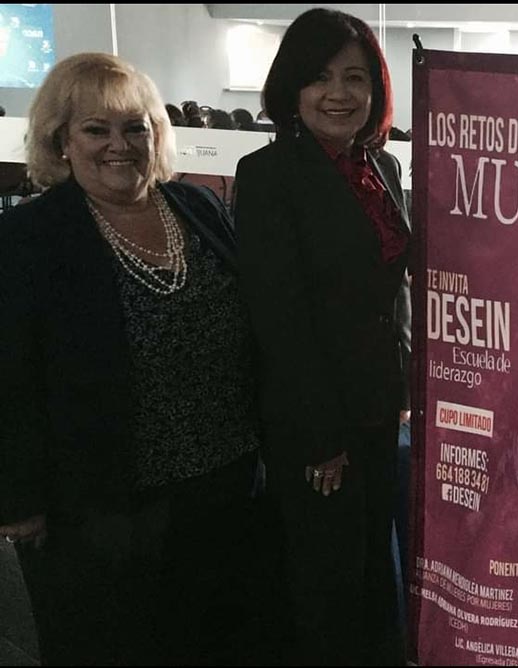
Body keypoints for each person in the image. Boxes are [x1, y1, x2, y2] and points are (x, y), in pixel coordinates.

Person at [0, 53, 267, 665]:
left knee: (219, 642)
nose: (119, 145)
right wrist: (17, 498)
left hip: (223, 485)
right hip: (101, 504)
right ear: (61, 141)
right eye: (96, 129)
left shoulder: (197, 208)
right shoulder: (28, 237)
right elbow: (9, 374)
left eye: (135, 128)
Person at [234, 8, 410, 665]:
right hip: (317, 421)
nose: (339, 93)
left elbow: (388, 290)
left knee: (370, 563)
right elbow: (279, 317)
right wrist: (320, 436)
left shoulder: (381, 168)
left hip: (377, 407)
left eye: (355, 77)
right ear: (293, 88)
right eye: (320, 77)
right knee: (325, 579)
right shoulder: (268, 174)